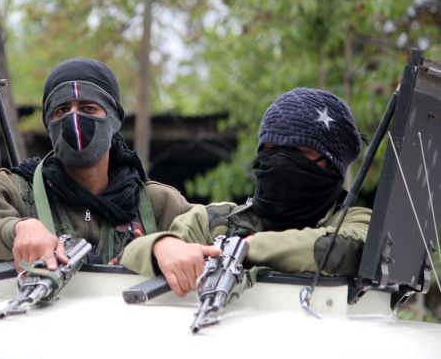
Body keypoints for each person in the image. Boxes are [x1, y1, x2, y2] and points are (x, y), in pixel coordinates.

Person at [121, 87, 371, 296]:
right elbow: (130, 257)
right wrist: (160, 246)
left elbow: (347, 250)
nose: (281, 161)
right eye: (271, 149)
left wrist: (245, 249)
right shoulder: (217, 222)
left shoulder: (355, 221)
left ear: (333, 166)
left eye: (301, 153)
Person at [0, 57, 194, 271]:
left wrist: (162, 244)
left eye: (89, 109)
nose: (74, 120)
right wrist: (18, 229)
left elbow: (217, 226)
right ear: (49, 125)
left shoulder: (155, 203)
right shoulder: (12, 191)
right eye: (62, 110)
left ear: (114, 121)